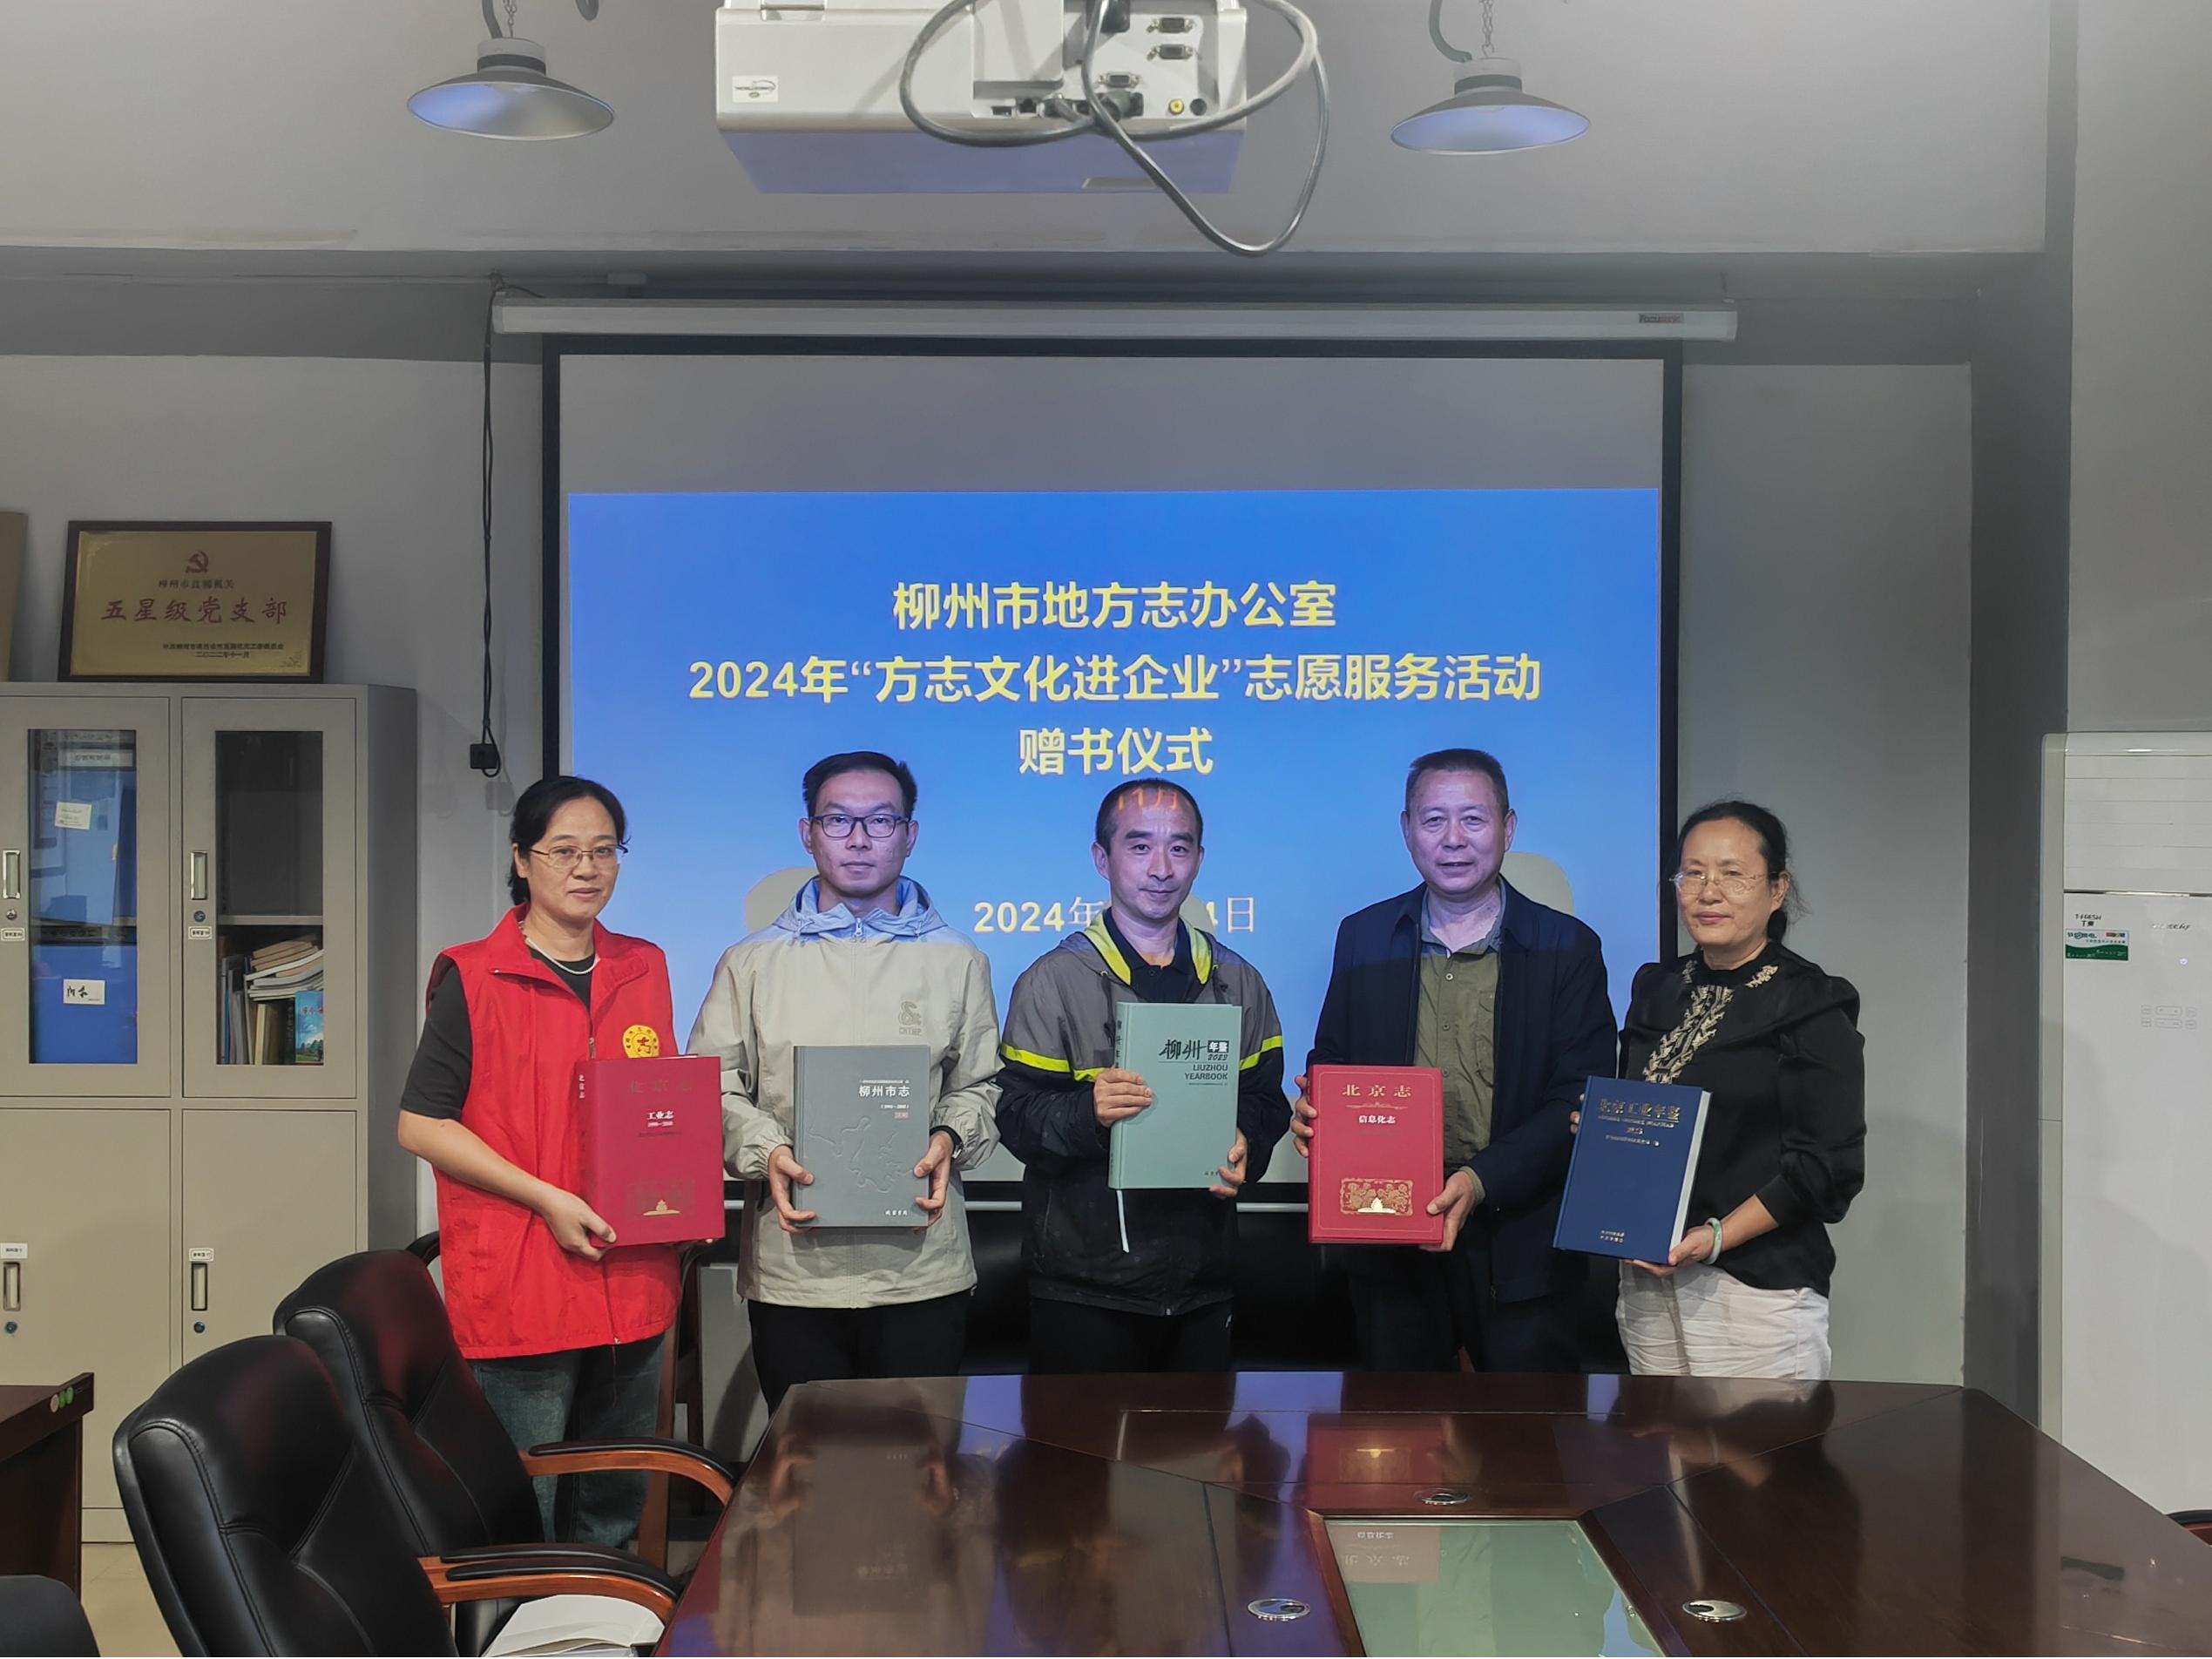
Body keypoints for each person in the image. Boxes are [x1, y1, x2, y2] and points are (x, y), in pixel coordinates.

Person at [396, 775, 676, 1547]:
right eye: (564, 851)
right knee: (524, 1499)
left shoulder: (643, 965)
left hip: (630, 1266)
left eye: (604, 851)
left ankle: (606, 1611)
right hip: (525, 1270)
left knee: (614, 1495)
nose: (587, 868)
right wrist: (546, 1196)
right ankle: (524, 1617)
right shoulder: (473, 975)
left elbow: (656, 1106)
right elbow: (421, 1124)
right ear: (522, 860)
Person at [687, 751, 1000, 1412]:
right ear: (808, 834)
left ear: (910, 834)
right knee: (807, 1462)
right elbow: (711, 1086)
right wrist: (767, 1150)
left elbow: (982, 1085)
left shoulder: (958, 961)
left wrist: (949, 1135)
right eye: (838, 820)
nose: (859, 839)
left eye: (880, 820)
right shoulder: (751, 962)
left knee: (920, 1462)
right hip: (795, 1271)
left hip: (920, 1269)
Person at [1294, 748, 1615, 1374]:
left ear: (1508, 828)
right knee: (1395, 1426)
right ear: (1406, 830)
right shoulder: (1362, 937)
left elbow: (1576, 1100)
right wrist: (1315, 1109)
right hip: (1390, 1232)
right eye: (1433, 819)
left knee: (1528, 1428)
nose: (1453, 839)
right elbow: (1332, 1058)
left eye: (1473, 819)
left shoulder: (1567, 947)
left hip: (1522, 1238)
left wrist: (1477, 1180)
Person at [996, 779, 1292, 1374]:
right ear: (1101, 859)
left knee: (1199, 1436)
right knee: (1079, 1437)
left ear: (1199, 859)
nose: (1161, 868)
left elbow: (1266, 1099)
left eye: (1179, 848)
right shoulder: (1052, 980)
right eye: (1139, 847)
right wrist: (1087, 1112)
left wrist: (1247, 1139)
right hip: (1083, 1287)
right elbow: (1014, 1115)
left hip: (1203, 1281)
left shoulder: (1238, 980)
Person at [1610, 800, 1864, 1379]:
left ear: (1777, 889)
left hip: (1754, 1291)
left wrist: (1716, 1237)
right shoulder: (1656, 987)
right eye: (1692, 873)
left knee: (1758, 1443)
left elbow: (1827, 1169)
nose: (1708, 892)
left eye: (1732, 874)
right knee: (1659, 1440)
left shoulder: (1810, 1002)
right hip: (1647, 1281)